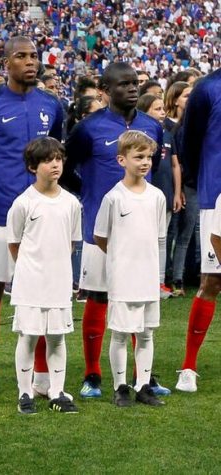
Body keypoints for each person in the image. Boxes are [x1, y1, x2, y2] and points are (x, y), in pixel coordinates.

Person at [0, 36, 64, 407]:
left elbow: (58, 153)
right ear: (6, 63)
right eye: (21, 56)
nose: (30, 62)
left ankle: (40, 376)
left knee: (41, 295)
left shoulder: (51, 105)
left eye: (34, 56)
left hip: (42, 214)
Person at [63, 62, 163, 399]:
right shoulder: (88, 128)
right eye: (123, 84)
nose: (132, 89)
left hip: (139, 232)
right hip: (98, 229)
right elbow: (65, 170)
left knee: (140, 299)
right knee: (99, 296)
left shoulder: (151, 126)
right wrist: (89, 190)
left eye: (135, 83)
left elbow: (154, 168)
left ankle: (142, 377)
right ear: (105, 90)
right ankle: (93, 373)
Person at [93, 130, 166, 407]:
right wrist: (120, 259)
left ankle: (143, 385)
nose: (145, 162)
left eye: (148, 157)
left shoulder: (157, 196)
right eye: (139, 157)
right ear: (122, 160)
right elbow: (101, 235)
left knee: (146, 333)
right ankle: (120, 386)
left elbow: (159, 238)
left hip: (148, 277)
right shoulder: (114, 197)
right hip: (123, 277)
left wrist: (157, 274)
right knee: (121, 333)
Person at [8, 137, 81, 415]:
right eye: (48, 160)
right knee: (28, 336)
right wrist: (32, 268)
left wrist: (56, 268)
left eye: (58, 159)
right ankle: (24, 392)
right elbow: (14, 243)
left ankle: (57, 391)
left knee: (57, 337)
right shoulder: (23, 203)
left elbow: (71, 242)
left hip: (59, 280)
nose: (55, 165)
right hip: (30, 282)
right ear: (32, 167)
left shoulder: (71, 203)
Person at [175, 68, 221, 393]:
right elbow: (187, 140)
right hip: (218, 195)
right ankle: (188, 367)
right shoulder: (208, 89)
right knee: (212, 280)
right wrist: (198, 180)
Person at [136, 94, 182, 302]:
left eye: (163, 109)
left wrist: (177, 191)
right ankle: (142, 282)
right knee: (144, 240)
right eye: (157, 109)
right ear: (144, 111)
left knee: (161, 240)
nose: (162, 112)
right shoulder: (138, 136)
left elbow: (174, 165)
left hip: (166, 194)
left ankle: (160, 282)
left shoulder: (167, 134)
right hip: (143, 197)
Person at [163, 81, 194, 297]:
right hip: (173, 187)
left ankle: (179, 277)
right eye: (185, 96)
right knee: (168, 233)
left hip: (188, 185)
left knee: (185, 234)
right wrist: (178, 187)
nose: (190, 100)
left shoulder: (192, 124)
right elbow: (175, 161)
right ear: (174, 99)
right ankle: (165, 277)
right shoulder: (166, 126)